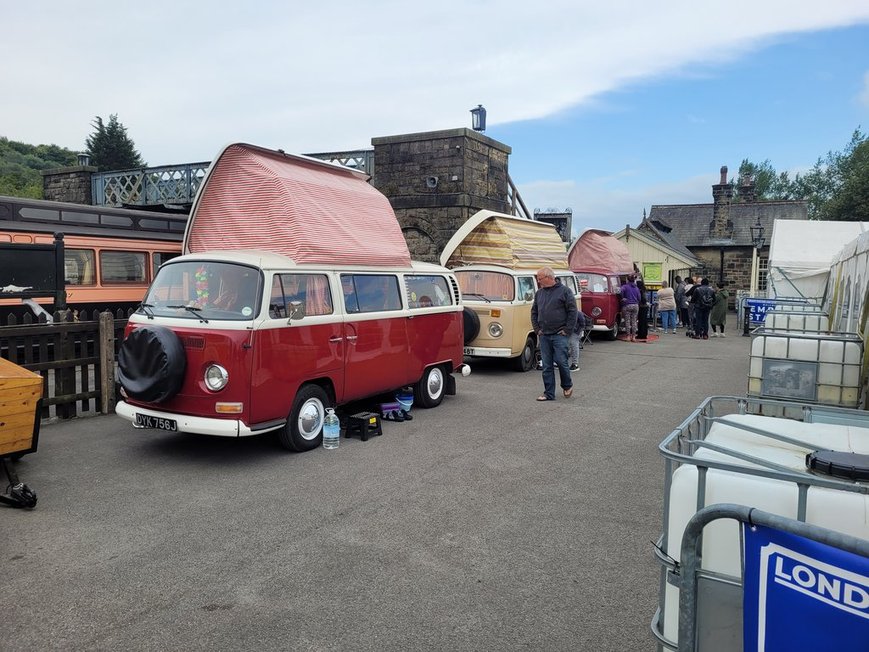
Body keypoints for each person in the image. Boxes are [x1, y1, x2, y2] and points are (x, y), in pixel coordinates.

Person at [531, 267, 577, 401]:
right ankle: (549, 393)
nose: (538, 282)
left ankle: (567, 385)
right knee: (546, 365)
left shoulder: (565, 292)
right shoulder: (539, 293)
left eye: (540, 279)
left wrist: (567, 330)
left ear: (549, 277)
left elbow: (572, 312)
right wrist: (537, 329)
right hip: (544, 334)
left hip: (559, 334)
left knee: (561, 362)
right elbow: (534, 312)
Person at [619, 275, 641, 342]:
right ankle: (634, 337)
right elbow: (639, 298)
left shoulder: (625, 287)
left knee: (627, 321)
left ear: (627, 280)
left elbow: (620, 291)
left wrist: (623, 298)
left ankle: (628, 336)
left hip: (627, 305)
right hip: (635, 306)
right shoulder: (636, 288)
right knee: (634, 321)